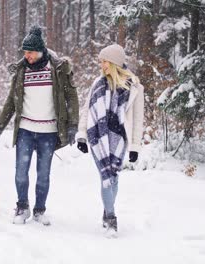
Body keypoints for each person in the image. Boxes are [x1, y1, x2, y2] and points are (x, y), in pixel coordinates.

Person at [0, 25, 79, 225]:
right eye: (25, 52)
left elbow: (72, 98)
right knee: (21, 172)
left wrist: (73, 125)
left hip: (48, 132)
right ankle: (22, 208)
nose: (26, 56)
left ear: (40, 51)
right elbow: (11, 102)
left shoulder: (57, 70)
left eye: (30, 52)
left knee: (43, 174)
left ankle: (39, 210)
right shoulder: (21, 71)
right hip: (25, 131)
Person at [75, 44, 144, 237]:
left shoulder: (135, 88)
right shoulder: (97, 83)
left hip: (120, 139)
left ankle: (107, 210)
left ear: (114, 63)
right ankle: (112, 219)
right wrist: (81, 135)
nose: (102, 65)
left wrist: (135, 147)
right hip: (98, 136)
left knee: (113, 177)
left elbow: (138, 119)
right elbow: (87, 110)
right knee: (106, 178)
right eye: (101, 61)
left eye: (104, 61)